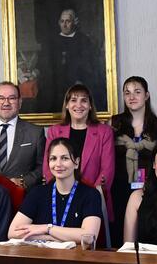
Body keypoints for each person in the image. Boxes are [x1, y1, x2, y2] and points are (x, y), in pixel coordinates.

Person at [43, 84, 115, 224]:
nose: (78, 105)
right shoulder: (54, 131)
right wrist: (62, 193)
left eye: (84, 100)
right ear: (67, 105)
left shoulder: (104, 132)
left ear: (90, 106)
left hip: (93, 198)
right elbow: (48, 166)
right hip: (59, 198)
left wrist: (88, 195)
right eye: (73, 100)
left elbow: (107, 170)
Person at [8, 138, 102, 245]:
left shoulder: (90, 194)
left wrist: (47, 228)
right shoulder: (37, 193)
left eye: (65, 158)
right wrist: (52, 238)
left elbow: (89, 237)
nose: (58, 164)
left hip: (75, 258)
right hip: (42, 257)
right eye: (53, 158)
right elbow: (12, 232)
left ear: (76, 162)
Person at [110, 76, 157, 240]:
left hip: (149, 189)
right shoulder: (114, 123)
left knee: (147, 234)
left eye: (137, 92)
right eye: (127, 93)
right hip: (119, 189)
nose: (132, 97)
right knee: (119, 238)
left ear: (146, 95)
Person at [0, 81, 45, 189]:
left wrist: (24, 181)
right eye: (1, 98)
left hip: (22, 197)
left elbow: (43, 166)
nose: (6, 103)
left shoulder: (35, 132)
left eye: (12, 98)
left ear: (20, 102)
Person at [39, 8, 106, 112]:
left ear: (75, 22)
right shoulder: (51, 42)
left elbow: (90, 66)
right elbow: (44, 65)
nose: (64, 25)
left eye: (68, 21)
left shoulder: (84, 41)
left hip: (77, 86)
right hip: (55, 87)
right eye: (62, 21)